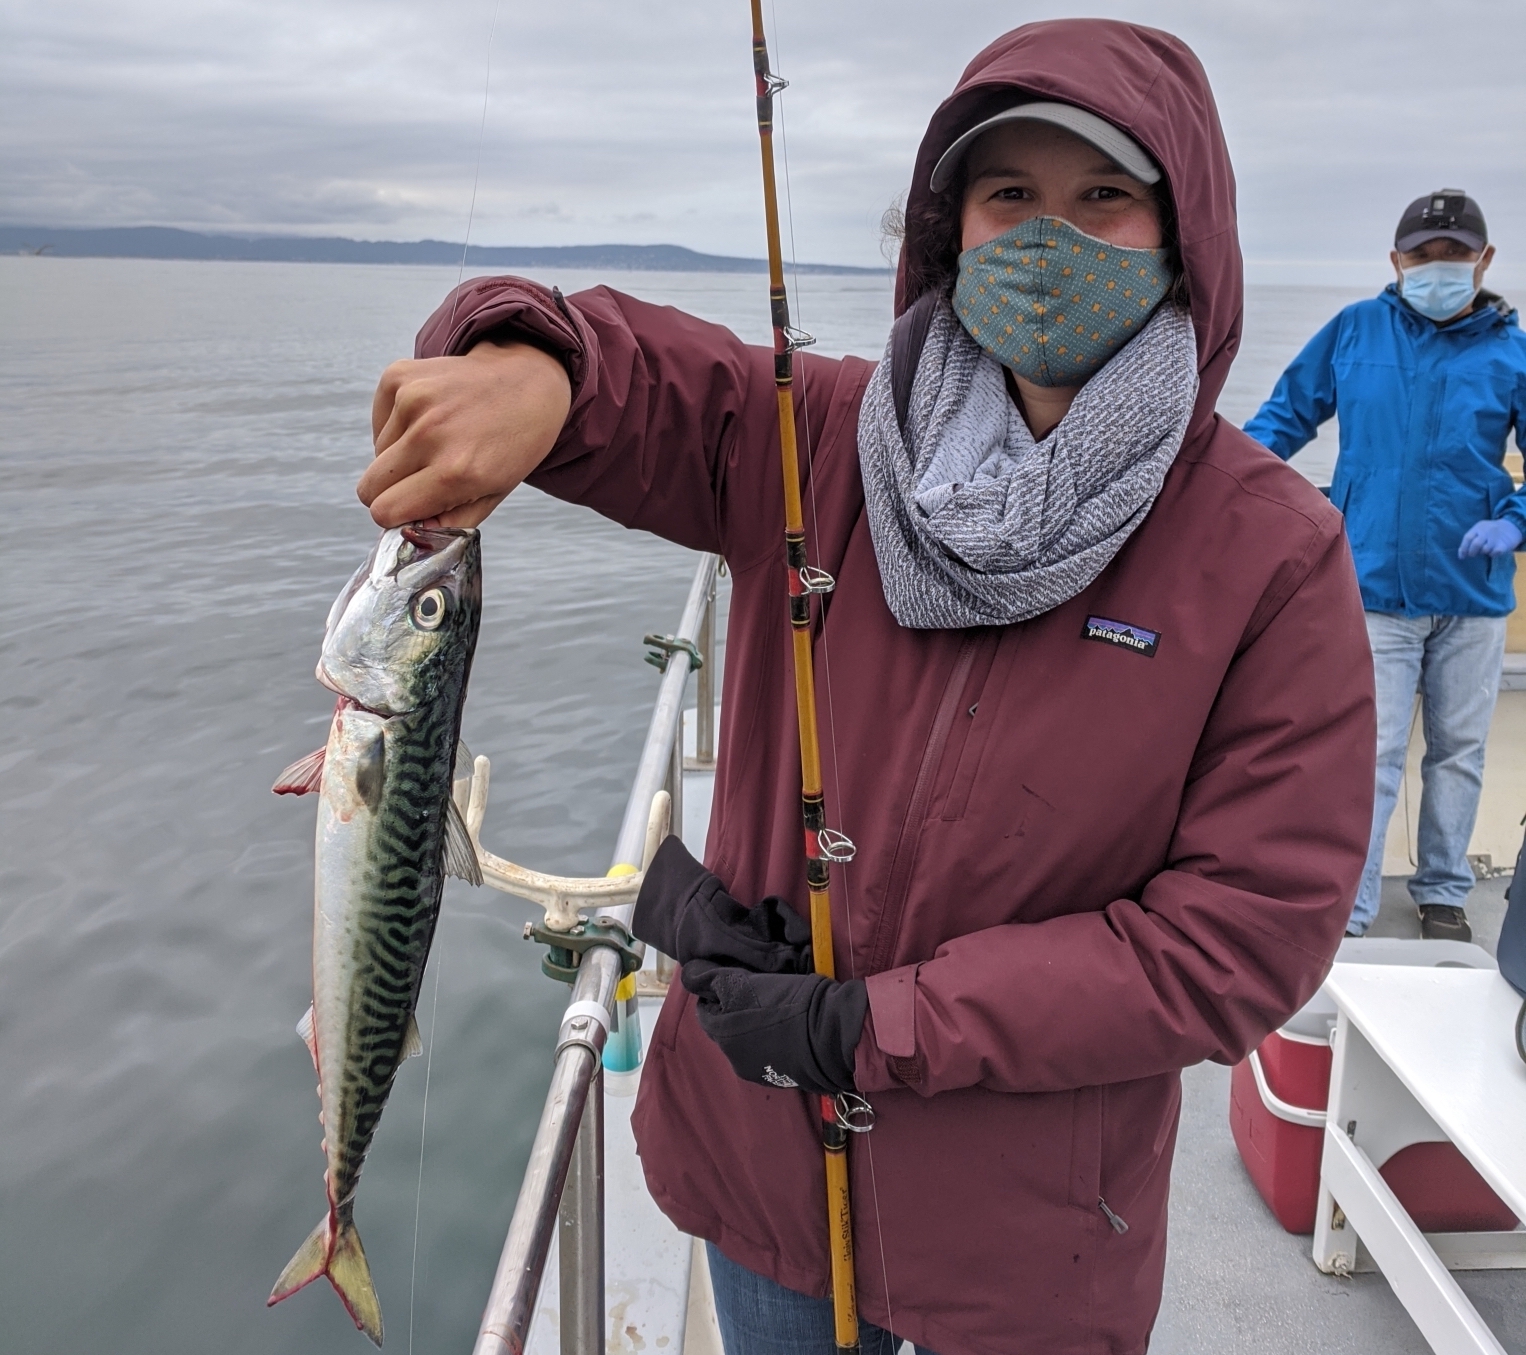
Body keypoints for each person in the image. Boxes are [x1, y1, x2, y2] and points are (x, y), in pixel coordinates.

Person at [362, 20, 1375, 1354]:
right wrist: (524, 362)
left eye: (1102, 198)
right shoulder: (816, 435)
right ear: (949, 226)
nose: (1046, 236)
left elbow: (1239, 936)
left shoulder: (1268, 551)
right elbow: (645, 386)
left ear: (1183, 232)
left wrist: (881, 1022)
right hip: (763, 1174)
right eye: (1008, 194)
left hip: (1025, 1244)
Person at [1245, 191, 1526, 943]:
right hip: (1370, 587)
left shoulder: (1511, 351)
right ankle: (1353, 902)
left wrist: (1516, 523)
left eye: (1454, 256)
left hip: (1474, 596)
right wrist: (1222, 489)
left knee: (1460, 753)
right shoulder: (1354, 330)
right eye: (1424, 255)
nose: (1439, 268)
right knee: (1369, 754)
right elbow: (1281, 418)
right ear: (1397, 261)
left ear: (1484, 261)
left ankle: (1443, 891)